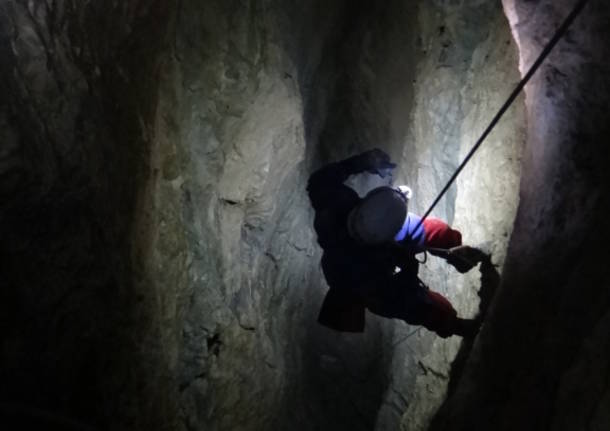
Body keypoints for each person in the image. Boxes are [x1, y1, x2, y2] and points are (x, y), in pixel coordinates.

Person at [307, 148, 486, 338]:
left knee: (434, 231)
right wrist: (408, 267)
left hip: (385, 234)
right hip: (380, 262)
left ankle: (460, 252)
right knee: (422, 309)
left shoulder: (334, 208)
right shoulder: (366, 286)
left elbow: (318, 182)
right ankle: (456, 325)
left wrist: (362, 162)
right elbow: (404, 295)